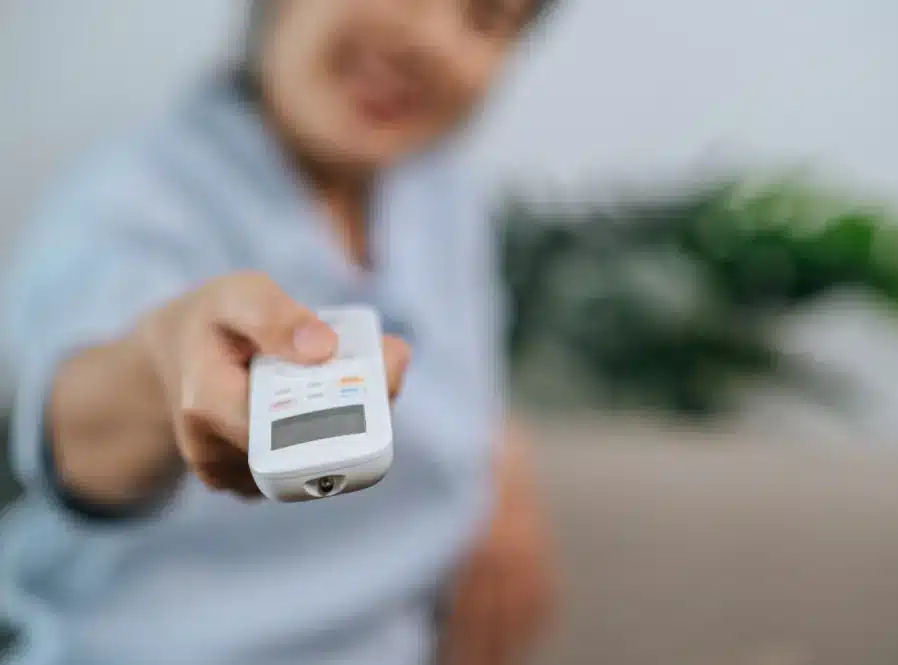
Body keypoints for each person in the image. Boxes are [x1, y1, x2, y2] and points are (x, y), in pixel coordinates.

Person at [0, 1, 558, 664]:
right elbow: (75, 426)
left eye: (488, 19)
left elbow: (463, 385)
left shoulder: (439, 193)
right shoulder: (131, 199)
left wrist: (498, 463)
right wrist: (164, 359)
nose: (429, 41)